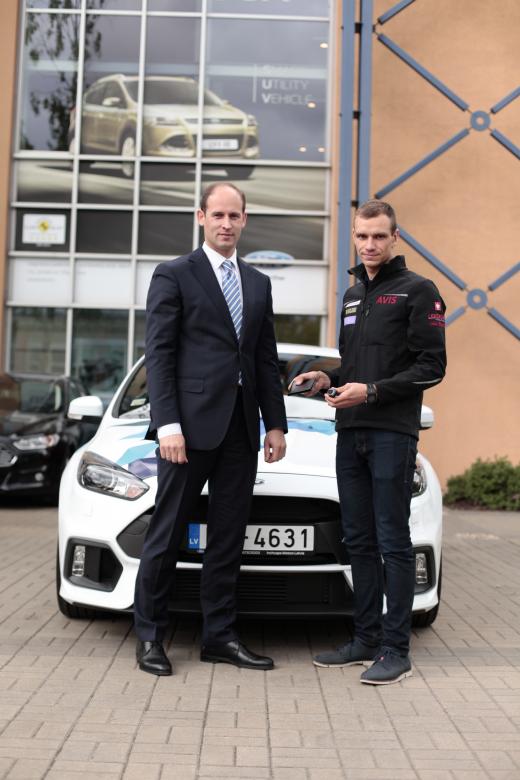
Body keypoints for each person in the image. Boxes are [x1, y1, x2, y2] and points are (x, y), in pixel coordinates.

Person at [134, 182, 287, 676]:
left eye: (234, 215)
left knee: (227, 538)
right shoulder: (175, 274)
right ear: (201, 217)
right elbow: (159, 355)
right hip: (187, 430)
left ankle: (219, 637)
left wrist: (275, 424)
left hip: (241, 429)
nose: (226, 223)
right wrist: (167, 424)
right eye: (217, 214)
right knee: (166, 534)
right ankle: (150, 636)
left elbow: (264, 359)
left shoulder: (258, 283)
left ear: (245, 219)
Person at [291, 199, 446, 685]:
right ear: (354, 237)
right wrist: (327, 378)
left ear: (395, 237)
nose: (370, 244)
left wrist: (372, 392)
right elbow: (355, 368)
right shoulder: (354, 295)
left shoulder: (419, 291)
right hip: (350, 431)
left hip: (392, 434)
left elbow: (432, 367)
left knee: (392, 540)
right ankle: (365, 639)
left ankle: (396, 650)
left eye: (379, 236)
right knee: (357, 538)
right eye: (362, 236)